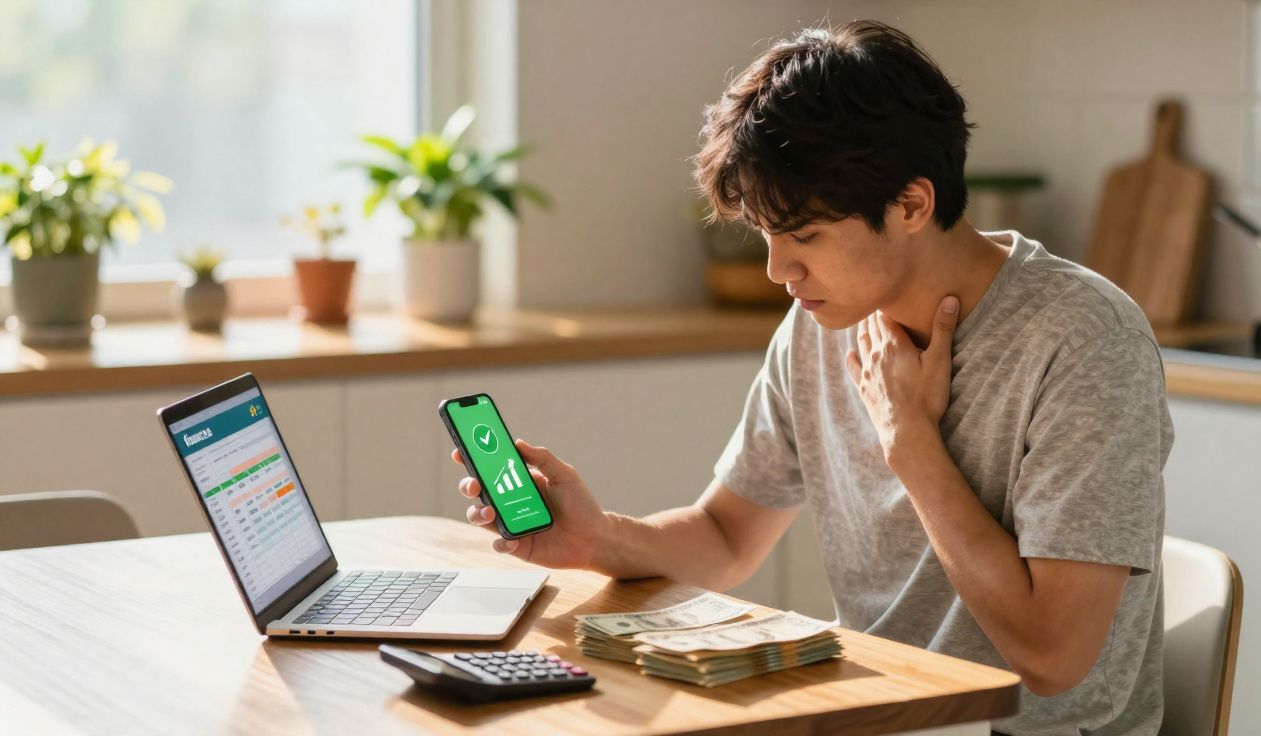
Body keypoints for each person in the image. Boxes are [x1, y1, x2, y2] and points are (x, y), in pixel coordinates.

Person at [450, 20, 1169, 735]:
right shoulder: (821, 322)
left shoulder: (1083, 339)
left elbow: (1054, 656)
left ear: (912, 205)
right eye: (767, 236)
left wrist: (911, 444)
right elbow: (727, 537)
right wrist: (597, 538)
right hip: (874, 713)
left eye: (804, 236)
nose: (778, 272)